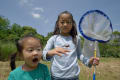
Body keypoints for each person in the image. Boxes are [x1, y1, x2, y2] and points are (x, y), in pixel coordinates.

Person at [42, 11, 99, 80]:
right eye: (62, 22)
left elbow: (80, 55)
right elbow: (43, 54)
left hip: (73, 77)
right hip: (56, 77)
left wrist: (88, 62)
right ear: (58, 24)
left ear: (72, 24)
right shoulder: (53, 39)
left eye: (68, 22)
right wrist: (51, 52)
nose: (65, 24)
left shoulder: (77, 39)